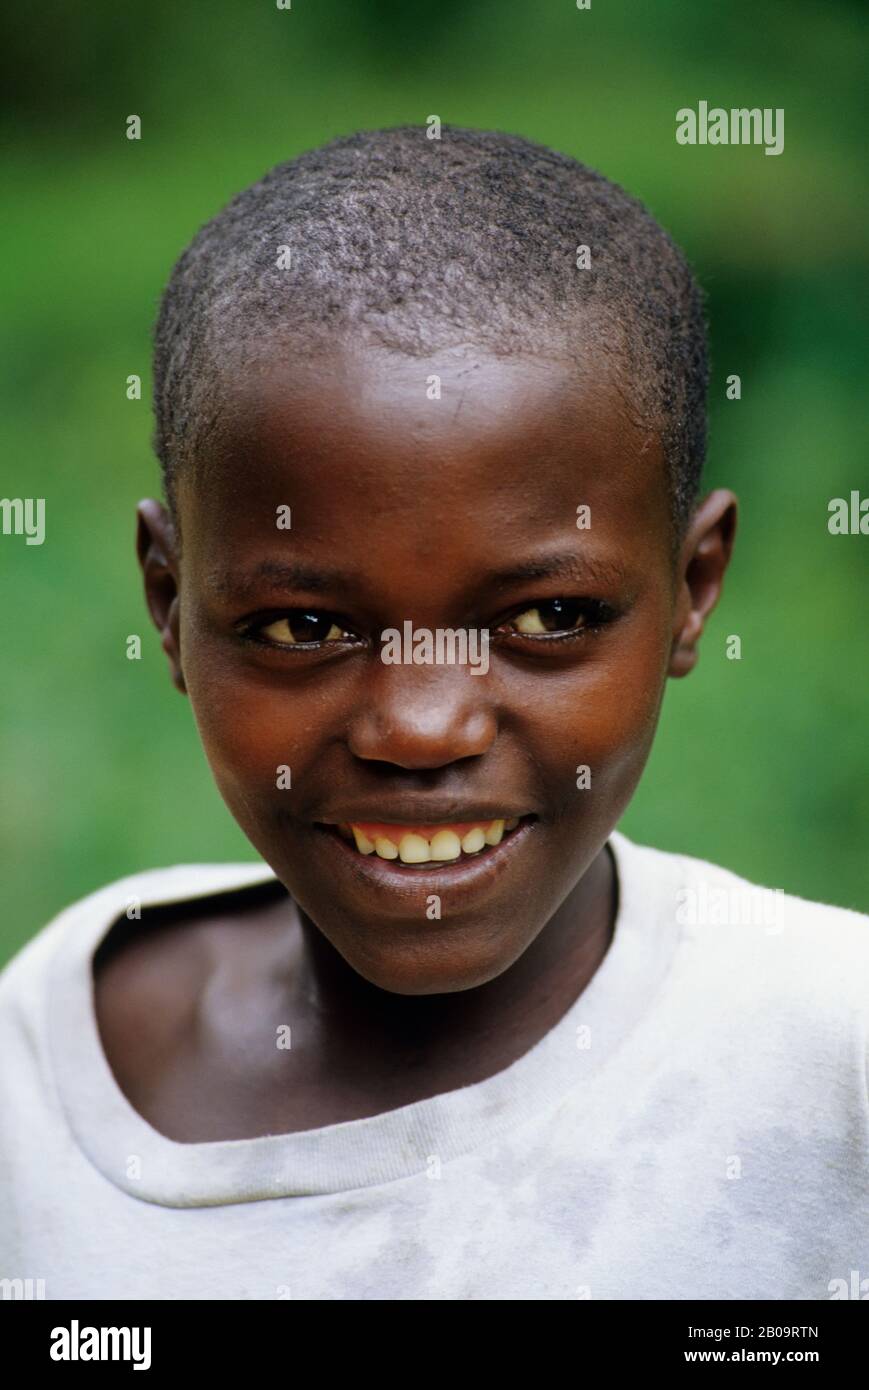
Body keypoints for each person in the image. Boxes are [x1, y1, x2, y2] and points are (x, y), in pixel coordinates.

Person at [1, 125, 866, 1301]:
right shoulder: (39, 1086)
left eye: (548, 617)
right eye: (303, 629)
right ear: (168, 601)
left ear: (691, 587)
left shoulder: (832, 1064)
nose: (418, 729)